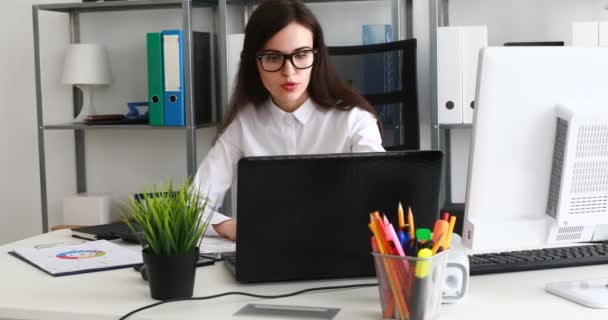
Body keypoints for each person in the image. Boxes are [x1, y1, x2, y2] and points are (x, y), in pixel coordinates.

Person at [194, 0, 384, 240]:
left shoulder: (354, 121)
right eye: (273, 58)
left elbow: (380, 203)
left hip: (338, 249)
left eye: (301, 55)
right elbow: (191, 208)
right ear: (255, 63)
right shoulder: (244, 124)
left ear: (317, 57)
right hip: (268, 254)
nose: (289, 72)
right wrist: (233, 227)